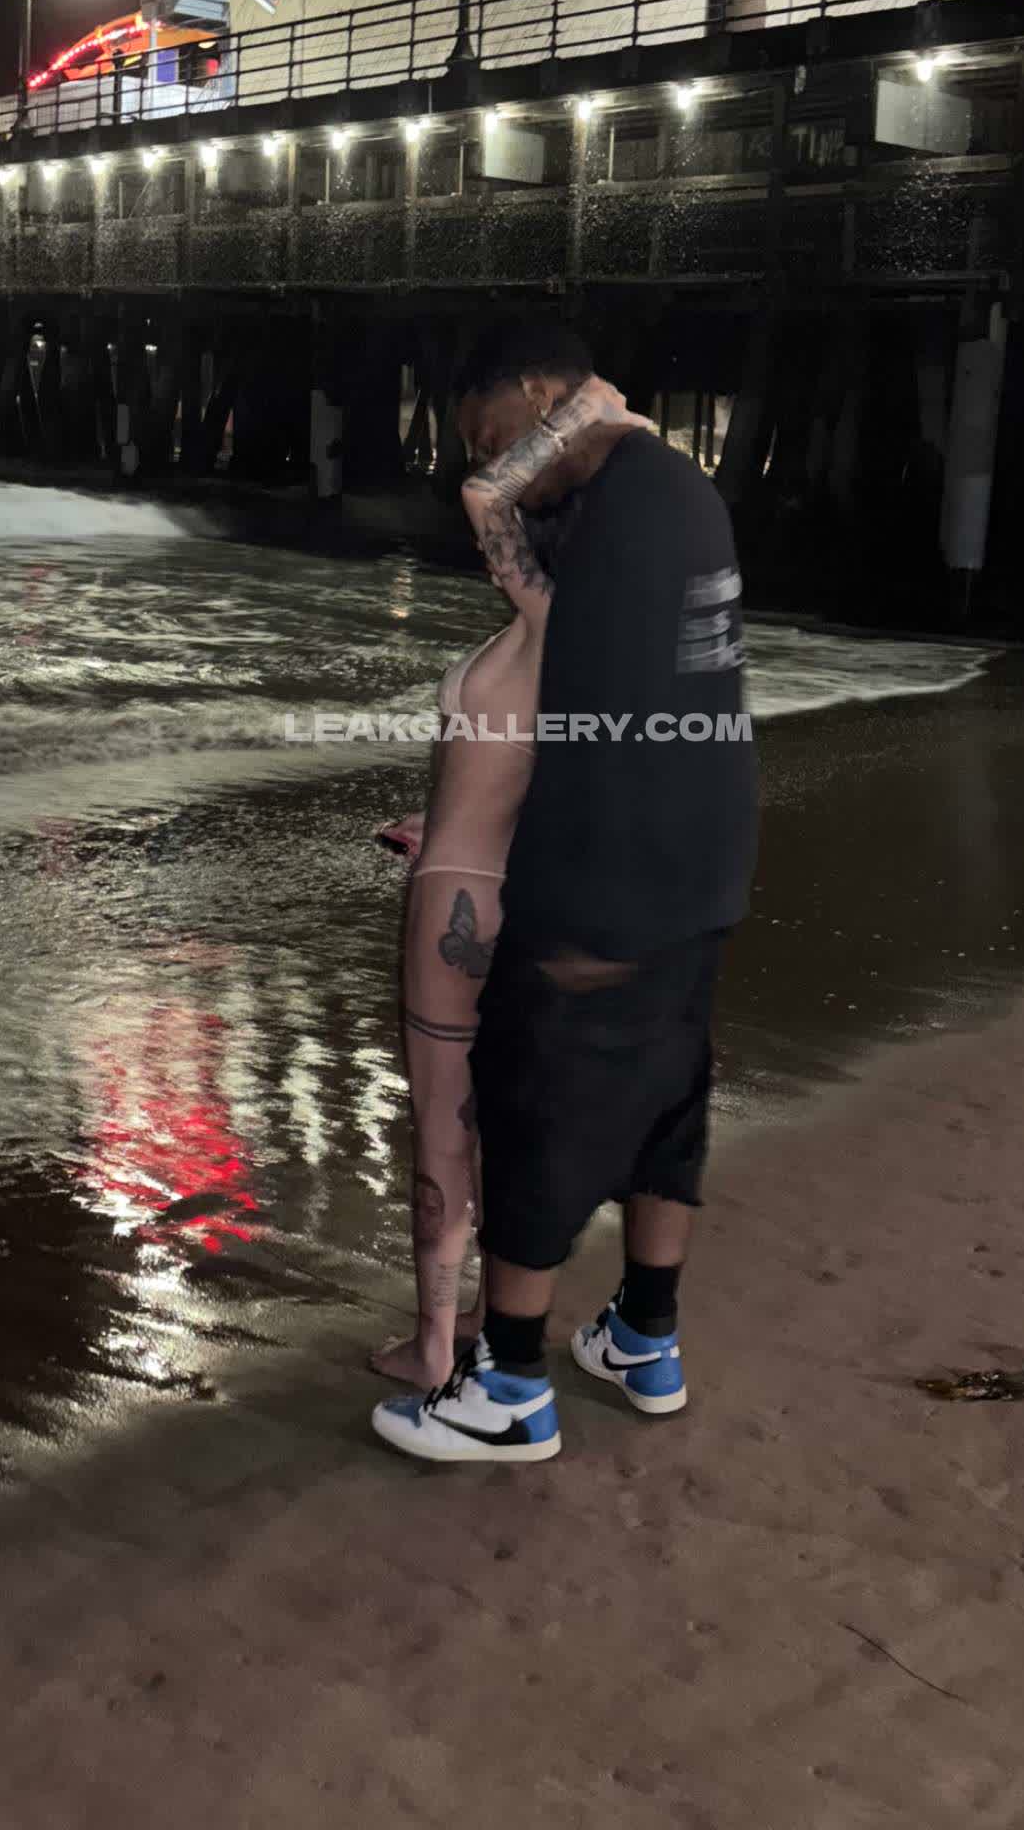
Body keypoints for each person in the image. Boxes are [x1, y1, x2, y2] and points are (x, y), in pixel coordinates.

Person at [373, 316, 758, 1462]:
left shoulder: (620, 522)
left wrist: (564, 916)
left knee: (528, 1127)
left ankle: (506, 1388)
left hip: (596, 892)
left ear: (546, 398)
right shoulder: (679, 501)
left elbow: (608, 741)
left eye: (494, 435)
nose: (490, 468)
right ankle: (645, 1336)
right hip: (694, 877)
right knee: (665, 1119)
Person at [371, 358, 645, 1389]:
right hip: (520, 885)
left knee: (444, 1133)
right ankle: (495, 1321)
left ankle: (435, 1348)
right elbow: (545, 774)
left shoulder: (544, 615)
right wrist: (441, 813)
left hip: (456, 895)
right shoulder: (604, 646)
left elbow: (483, 494)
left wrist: (593, 407)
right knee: (509, 1123)